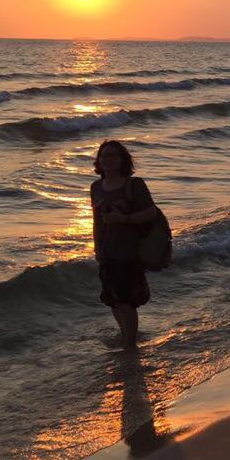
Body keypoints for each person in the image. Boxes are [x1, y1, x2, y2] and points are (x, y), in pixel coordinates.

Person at [90, 140, 158, 348]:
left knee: (125, 300)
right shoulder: (96, 187)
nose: (107, 160)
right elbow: (96, 220)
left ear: (122, 160)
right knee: (111, 297)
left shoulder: (134, 185)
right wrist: (97, 247)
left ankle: (130, 345)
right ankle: (126, 335)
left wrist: (125, 219)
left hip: (129, 250)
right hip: (107, 249)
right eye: (103, 156)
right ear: (98, 161)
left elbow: (151, 212)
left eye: (112, 155)